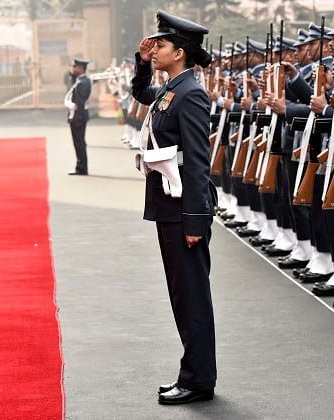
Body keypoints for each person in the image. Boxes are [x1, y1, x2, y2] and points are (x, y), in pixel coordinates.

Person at [131, 10, 217, 405]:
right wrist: (141, 63)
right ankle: (194, 372)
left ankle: (198, 379)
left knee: (192, 296)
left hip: (184, 210)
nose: (156, 50)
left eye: (161, 45)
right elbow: (142, 94)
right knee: (182, 295)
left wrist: (196, 219)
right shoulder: (172, 89)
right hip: (170, 205)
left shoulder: (191, 93)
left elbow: (199, 161)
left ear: (180, 53)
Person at [66, 58, 91, 175]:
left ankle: (82, 168)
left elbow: (80, 102)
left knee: (79, 142)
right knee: (78, 142)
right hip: (77, 115)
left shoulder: (83, 83)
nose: (72, 68)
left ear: (80, 69)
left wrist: (78, 119)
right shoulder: (80, 80)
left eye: (74, 67)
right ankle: (80, 166)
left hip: (78, 116)